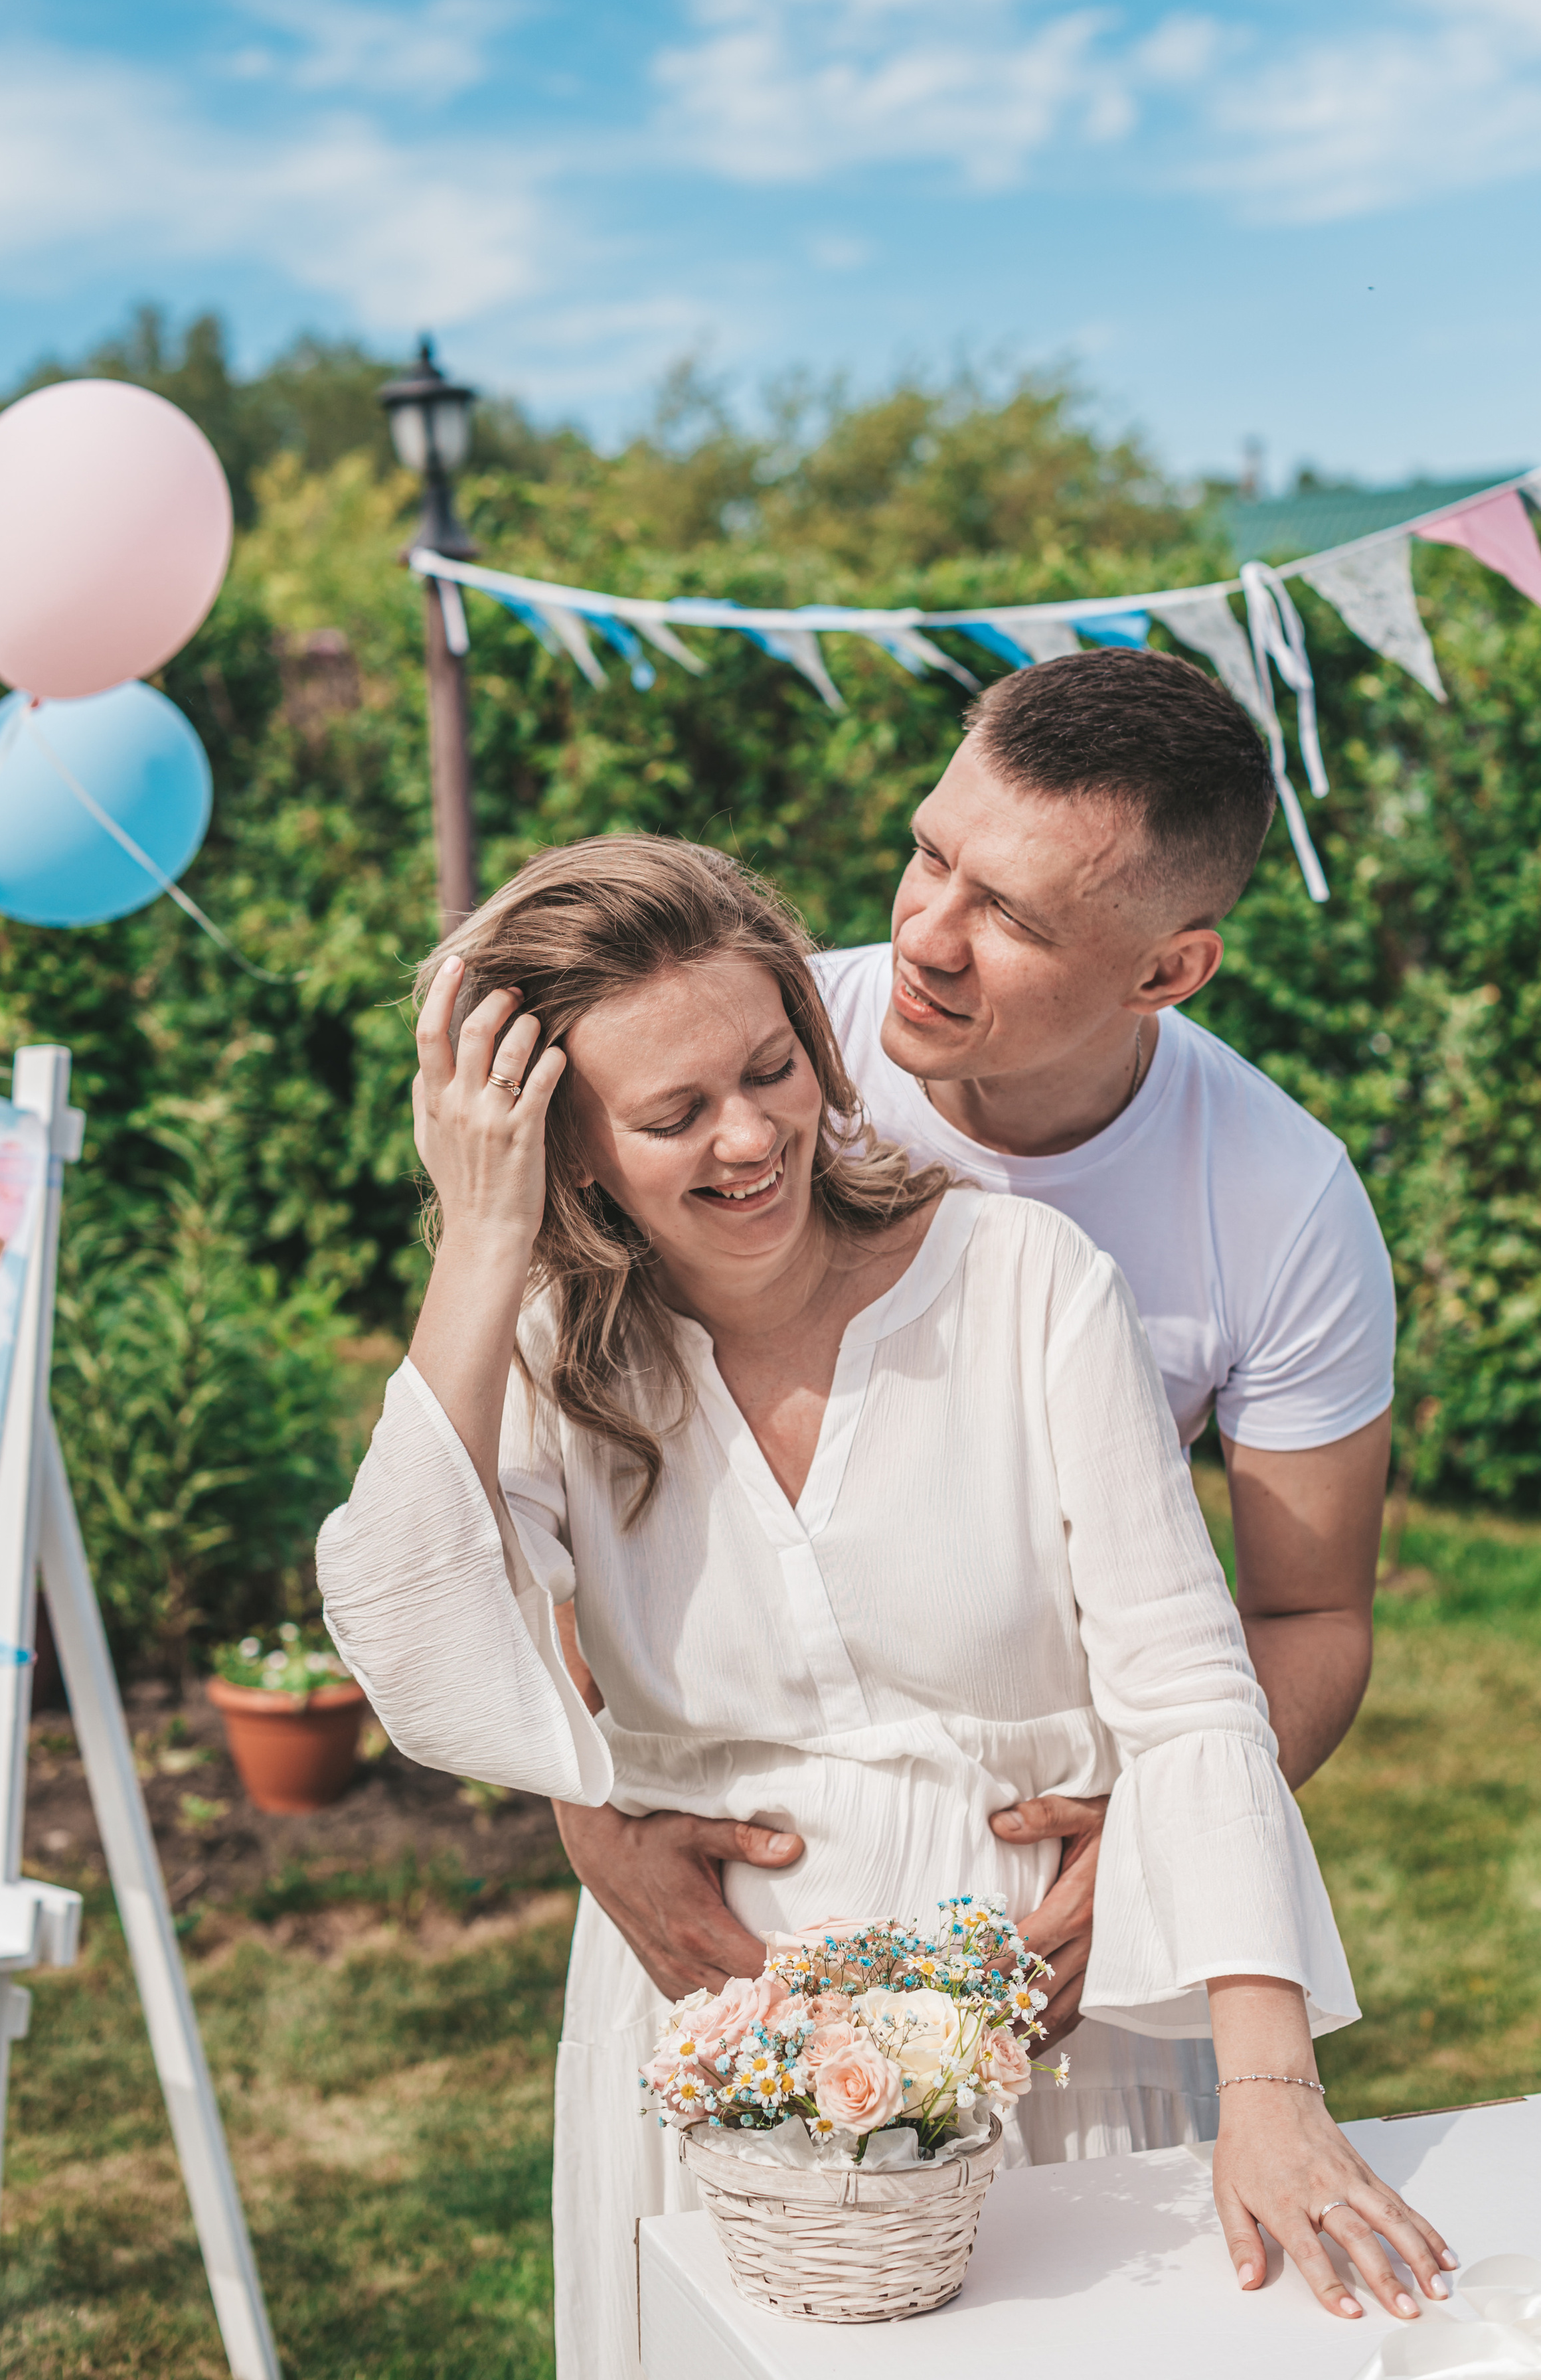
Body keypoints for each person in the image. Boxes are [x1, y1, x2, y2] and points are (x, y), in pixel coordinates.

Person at [317, 837, 1447, 2380]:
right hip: (714, 2054)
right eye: (671, 1115)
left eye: (771, 1068)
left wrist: (1269, 2095)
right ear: (567, 1150)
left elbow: (1190, 1691)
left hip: (1051, 2030)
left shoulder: (1026, 1282)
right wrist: (484, 1236)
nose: (747, 1138)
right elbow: (410, 1638)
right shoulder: (544, 1353)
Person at [554, 648, 1394, 2078]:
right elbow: (544, 1464)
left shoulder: (1279, 1205)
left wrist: (1152, 1846)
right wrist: (591, 1821)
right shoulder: (752, 1060)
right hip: (737, 1896)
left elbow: (1307, 1612)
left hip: (1046, 1922)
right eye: (928, 856)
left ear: (1167, 970)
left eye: (1005, 912)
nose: (927, 936)